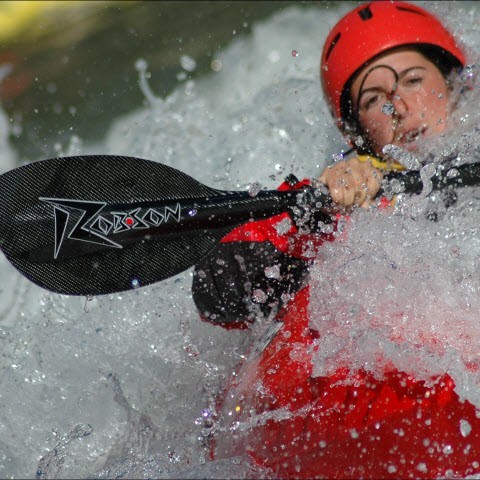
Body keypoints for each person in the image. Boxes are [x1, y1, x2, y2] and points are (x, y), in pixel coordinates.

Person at [192, 2, 479, 478]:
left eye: (412, 80)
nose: (399, 106)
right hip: (353, 437)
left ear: (452, 85)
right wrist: (315, 217)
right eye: (373, 99)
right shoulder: (325, 200)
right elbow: (217, 291)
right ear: (355, 131)